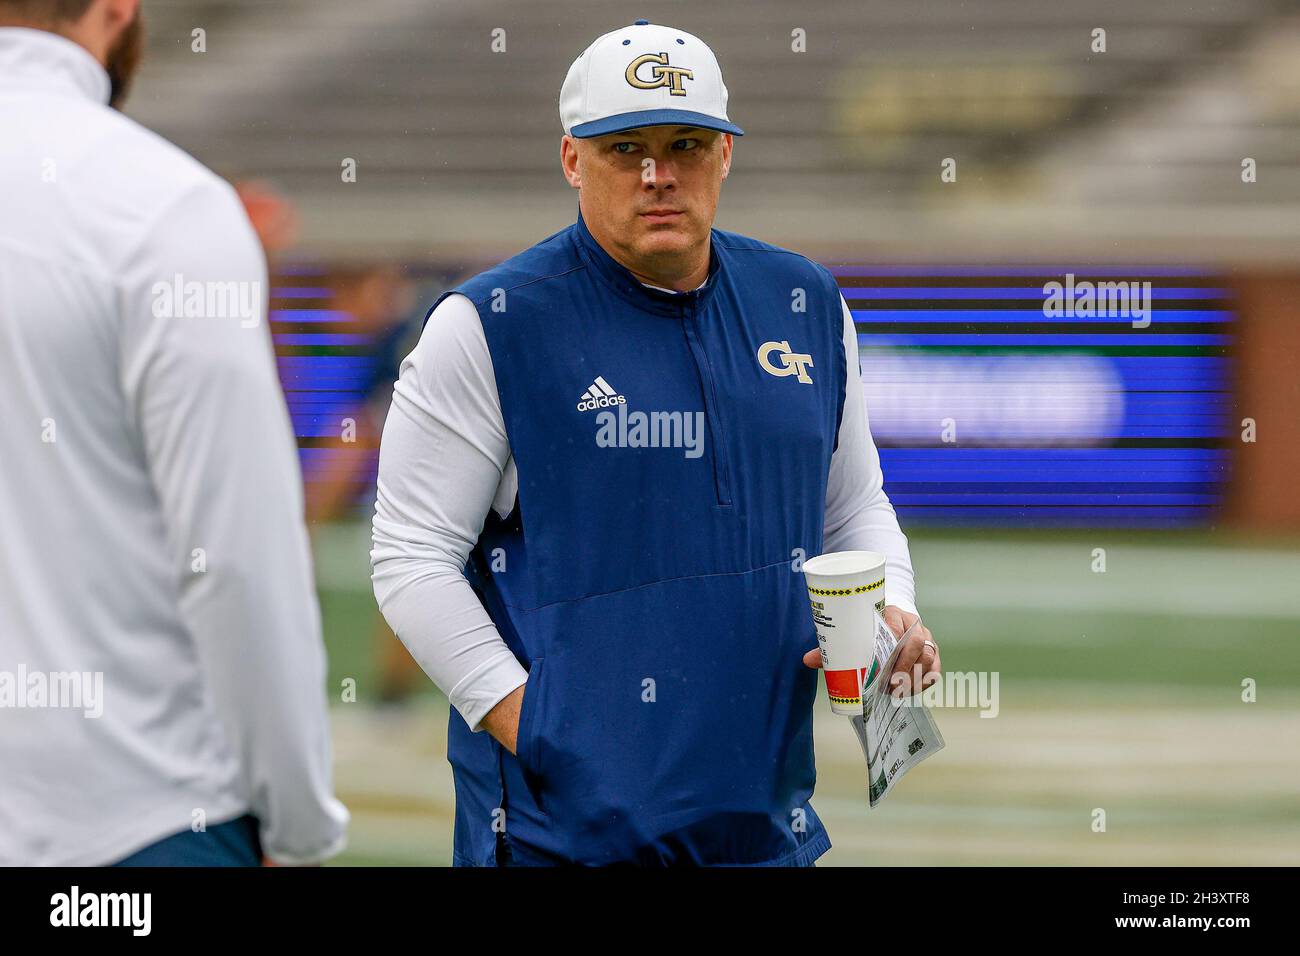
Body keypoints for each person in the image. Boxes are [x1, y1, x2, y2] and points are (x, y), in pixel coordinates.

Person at [371, 19, 940, 867]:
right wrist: (545, 731)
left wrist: (897, 602)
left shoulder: (805, 300)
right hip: (559, 838)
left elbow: (853, 501)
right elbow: (411, 558)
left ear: (725, 155)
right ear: (572, 160)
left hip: (764, 818)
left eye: (685, 144)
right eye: (623, 148)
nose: (658, 174)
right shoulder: (489, 325)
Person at [0, 0, 348, 865]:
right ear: (118, 6)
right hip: (133, 823)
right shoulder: (160, 203)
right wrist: (299, 819)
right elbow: (234, 561)